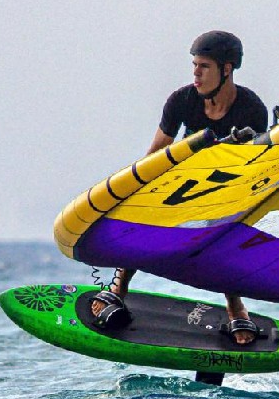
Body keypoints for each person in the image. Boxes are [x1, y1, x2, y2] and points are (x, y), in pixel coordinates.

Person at [89, 30, 269, 344]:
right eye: (194, 66)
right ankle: (117, 289)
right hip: (180, 184)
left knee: (229, 230)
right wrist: (130, 193)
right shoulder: (182, 100)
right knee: (142, 213)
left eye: (204, 67)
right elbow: (155, 153)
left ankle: (236, 308)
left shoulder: (252, 109)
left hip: (226, 190)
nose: (196, 73)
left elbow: (253, 171)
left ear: (226, 69)